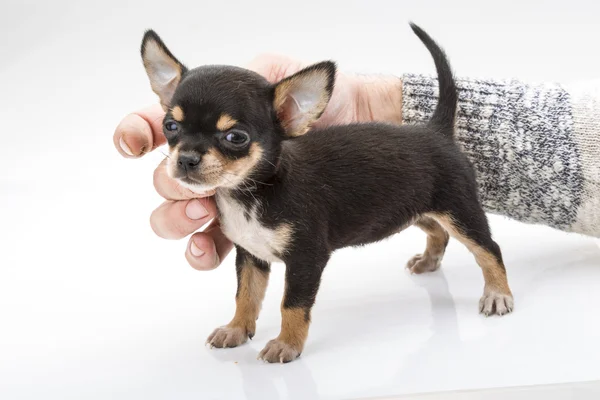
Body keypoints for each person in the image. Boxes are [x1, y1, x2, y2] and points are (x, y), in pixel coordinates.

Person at [113, 53, 600, 271]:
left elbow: (309, 257)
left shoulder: (287, 119)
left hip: (425, 159)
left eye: (234, 138)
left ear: (293, 113)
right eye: (173, 129)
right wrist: (383, 101)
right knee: (433, 219)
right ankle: (435, 246)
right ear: (164, 95)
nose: (191, 155)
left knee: (461, 224)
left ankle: (495, 272)